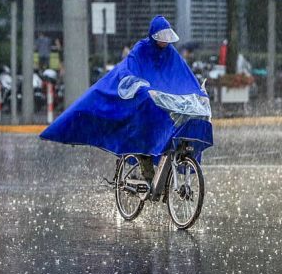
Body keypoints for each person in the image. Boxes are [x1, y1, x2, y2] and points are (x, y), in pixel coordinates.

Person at [41, 15, 212, 183]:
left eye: (168, 38)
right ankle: (144, 162)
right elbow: (128, 70)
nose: (165, 42)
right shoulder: (141, 49)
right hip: (141, 101)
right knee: (143, 131)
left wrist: (198, 92)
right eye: (162, 38)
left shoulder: (171, 54)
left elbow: (184, 76)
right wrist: (139, 87)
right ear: (153, 36)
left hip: (161, 102)